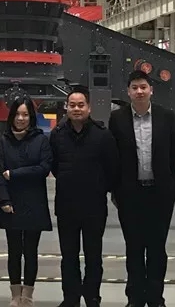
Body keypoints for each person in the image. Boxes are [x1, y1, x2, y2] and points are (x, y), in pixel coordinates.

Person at [108, 71, 175, 307]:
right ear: (128, 92)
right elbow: (112, 157)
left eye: (143, 87)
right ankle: (135, 298)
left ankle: (155, 298)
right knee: (134, 248)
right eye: (134, 87)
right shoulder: (117, 118)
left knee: (157, 248)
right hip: (130, 194)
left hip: (160, 194)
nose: (139, 91)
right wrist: (116, 190)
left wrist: (174, 188)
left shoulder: (166, 116)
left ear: (151, 90)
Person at [50, 87, 119, 307]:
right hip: (66, 206)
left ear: (89, 107)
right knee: (68, 256)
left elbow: (112, 168)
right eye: (72, 105)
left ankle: (92, 297)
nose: (77, 109)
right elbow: (54, 166)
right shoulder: (57, 135)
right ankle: (70, 298)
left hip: (94, 207)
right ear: (66, 108)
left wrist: (98, 187)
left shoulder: (102, 135)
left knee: (93, 256)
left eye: (81, 105)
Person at [0, 94, 52, 307]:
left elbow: (44, 168)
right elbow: (0, 173)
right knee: (14, 252)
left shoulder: (41, 140)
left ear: (31, 117)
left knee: (30, 252)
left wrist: (15, 174)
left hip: (34, 203)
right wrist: (4, 200)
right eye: (17, 114)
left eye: (25, 114)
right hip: (11, 203)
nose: (21, 118)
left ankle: (27, 296)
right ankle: (15, 295)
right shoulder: (3, 141)